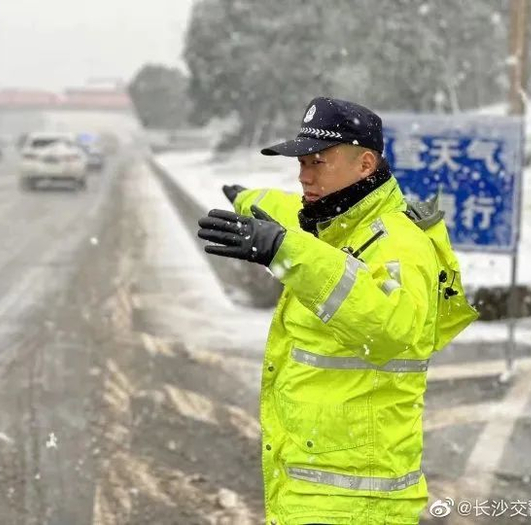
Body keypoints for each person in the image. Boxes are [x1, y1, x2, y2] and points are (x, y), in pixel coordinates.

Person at [197, 97, 477, 524]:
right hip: (312, 492)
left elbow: (391, 329)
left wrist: (283, 250)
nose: (304, 176)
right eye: (301, 163)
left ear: (365, 164)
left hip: (357, 504)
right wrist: (245, 198)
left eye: (317, 162)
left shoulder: (399, 245)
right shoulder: (334, 220)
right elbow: (283, 209)